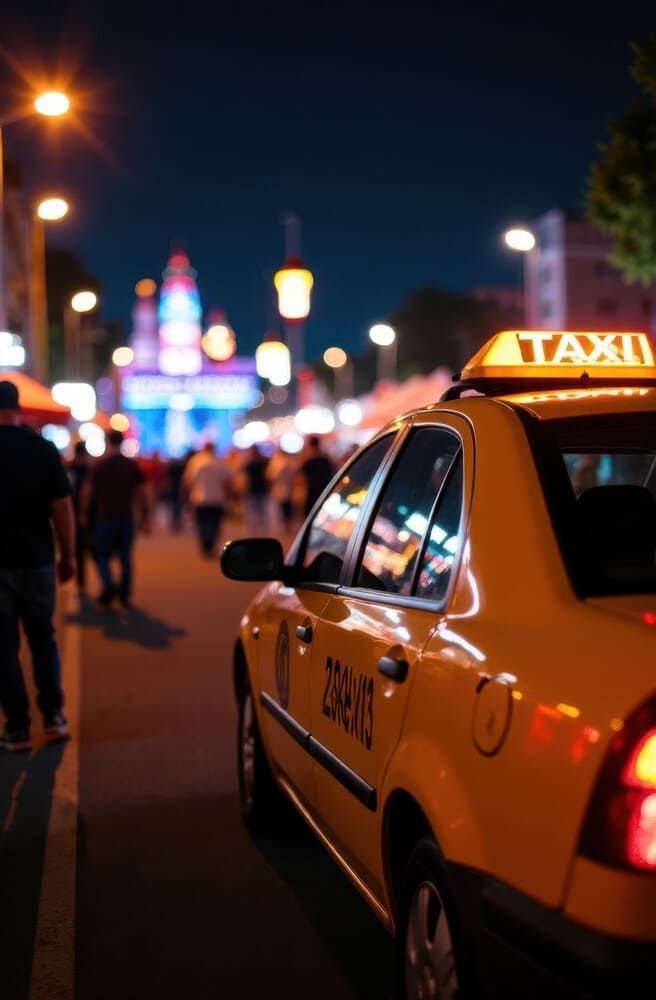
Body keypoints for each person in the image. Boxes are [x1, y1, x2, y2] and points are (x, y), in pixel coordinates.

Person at [0, 381, 75, 750]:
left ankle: (16, 727)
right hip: (38, 560)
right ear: (18, 408)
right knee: (43, 638)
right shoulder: (42, 449)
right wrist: (69, 555)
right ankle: (54, 715)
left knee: (3, 647)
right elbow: (62, 506)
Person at [82, 429, 151, 609]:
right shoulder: (131, 465)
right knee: (125, 558)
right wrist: (145, 516)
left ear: (107, 441)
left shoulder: (99, 465)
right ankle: (125, 595)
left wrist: (83, 514)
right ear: (122, 442)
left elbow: (87, 492)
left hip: (104, 518)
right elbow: (142, 493)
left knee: (101, 555)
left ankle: (109, 584)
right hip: (126, 518)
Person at [181, 442, 232, 556]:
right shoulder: (218, 462)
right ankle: (210, 544)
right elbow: (227, 481)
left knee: (202, 523)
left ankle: (205, 545)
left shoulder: (196, 462)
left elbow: (188, 481)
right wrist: (228, 496)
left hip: (200, 498)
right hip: (217, 499)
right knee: (215, 523)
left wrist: (187, 497)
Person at [67, 440, 94, 595]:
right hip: (90, 515)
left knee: (78, 550)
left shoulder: (69, 468)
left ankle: (80, 583)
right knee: (92, 549)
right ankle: (104, 582)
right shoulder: (91, 469)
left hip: (73, 513)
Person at [300, 435, 336, 516]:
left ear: (311, 446)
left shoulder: (309, 462)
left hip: (312, 496)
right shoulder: (326, 460)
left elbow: (301, 480)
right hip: (325, 495)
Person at [266, 445, 297, 536]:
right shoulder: (288, 463)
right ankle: (286, 527)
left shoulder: (279, 463)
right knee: (285, 509)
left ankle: (285, 527)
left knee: (283, 509)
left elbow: (270, 476)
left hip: (282, 490)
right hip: (285, 490)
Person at [243, 444, 270, 535]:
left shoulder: (253, 463)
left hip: (256, 490)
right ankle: (258, 531)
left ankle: (257, 531)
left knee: (255, 513)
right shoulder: (262, 462)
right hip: (257, 490)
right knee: (257, 513)